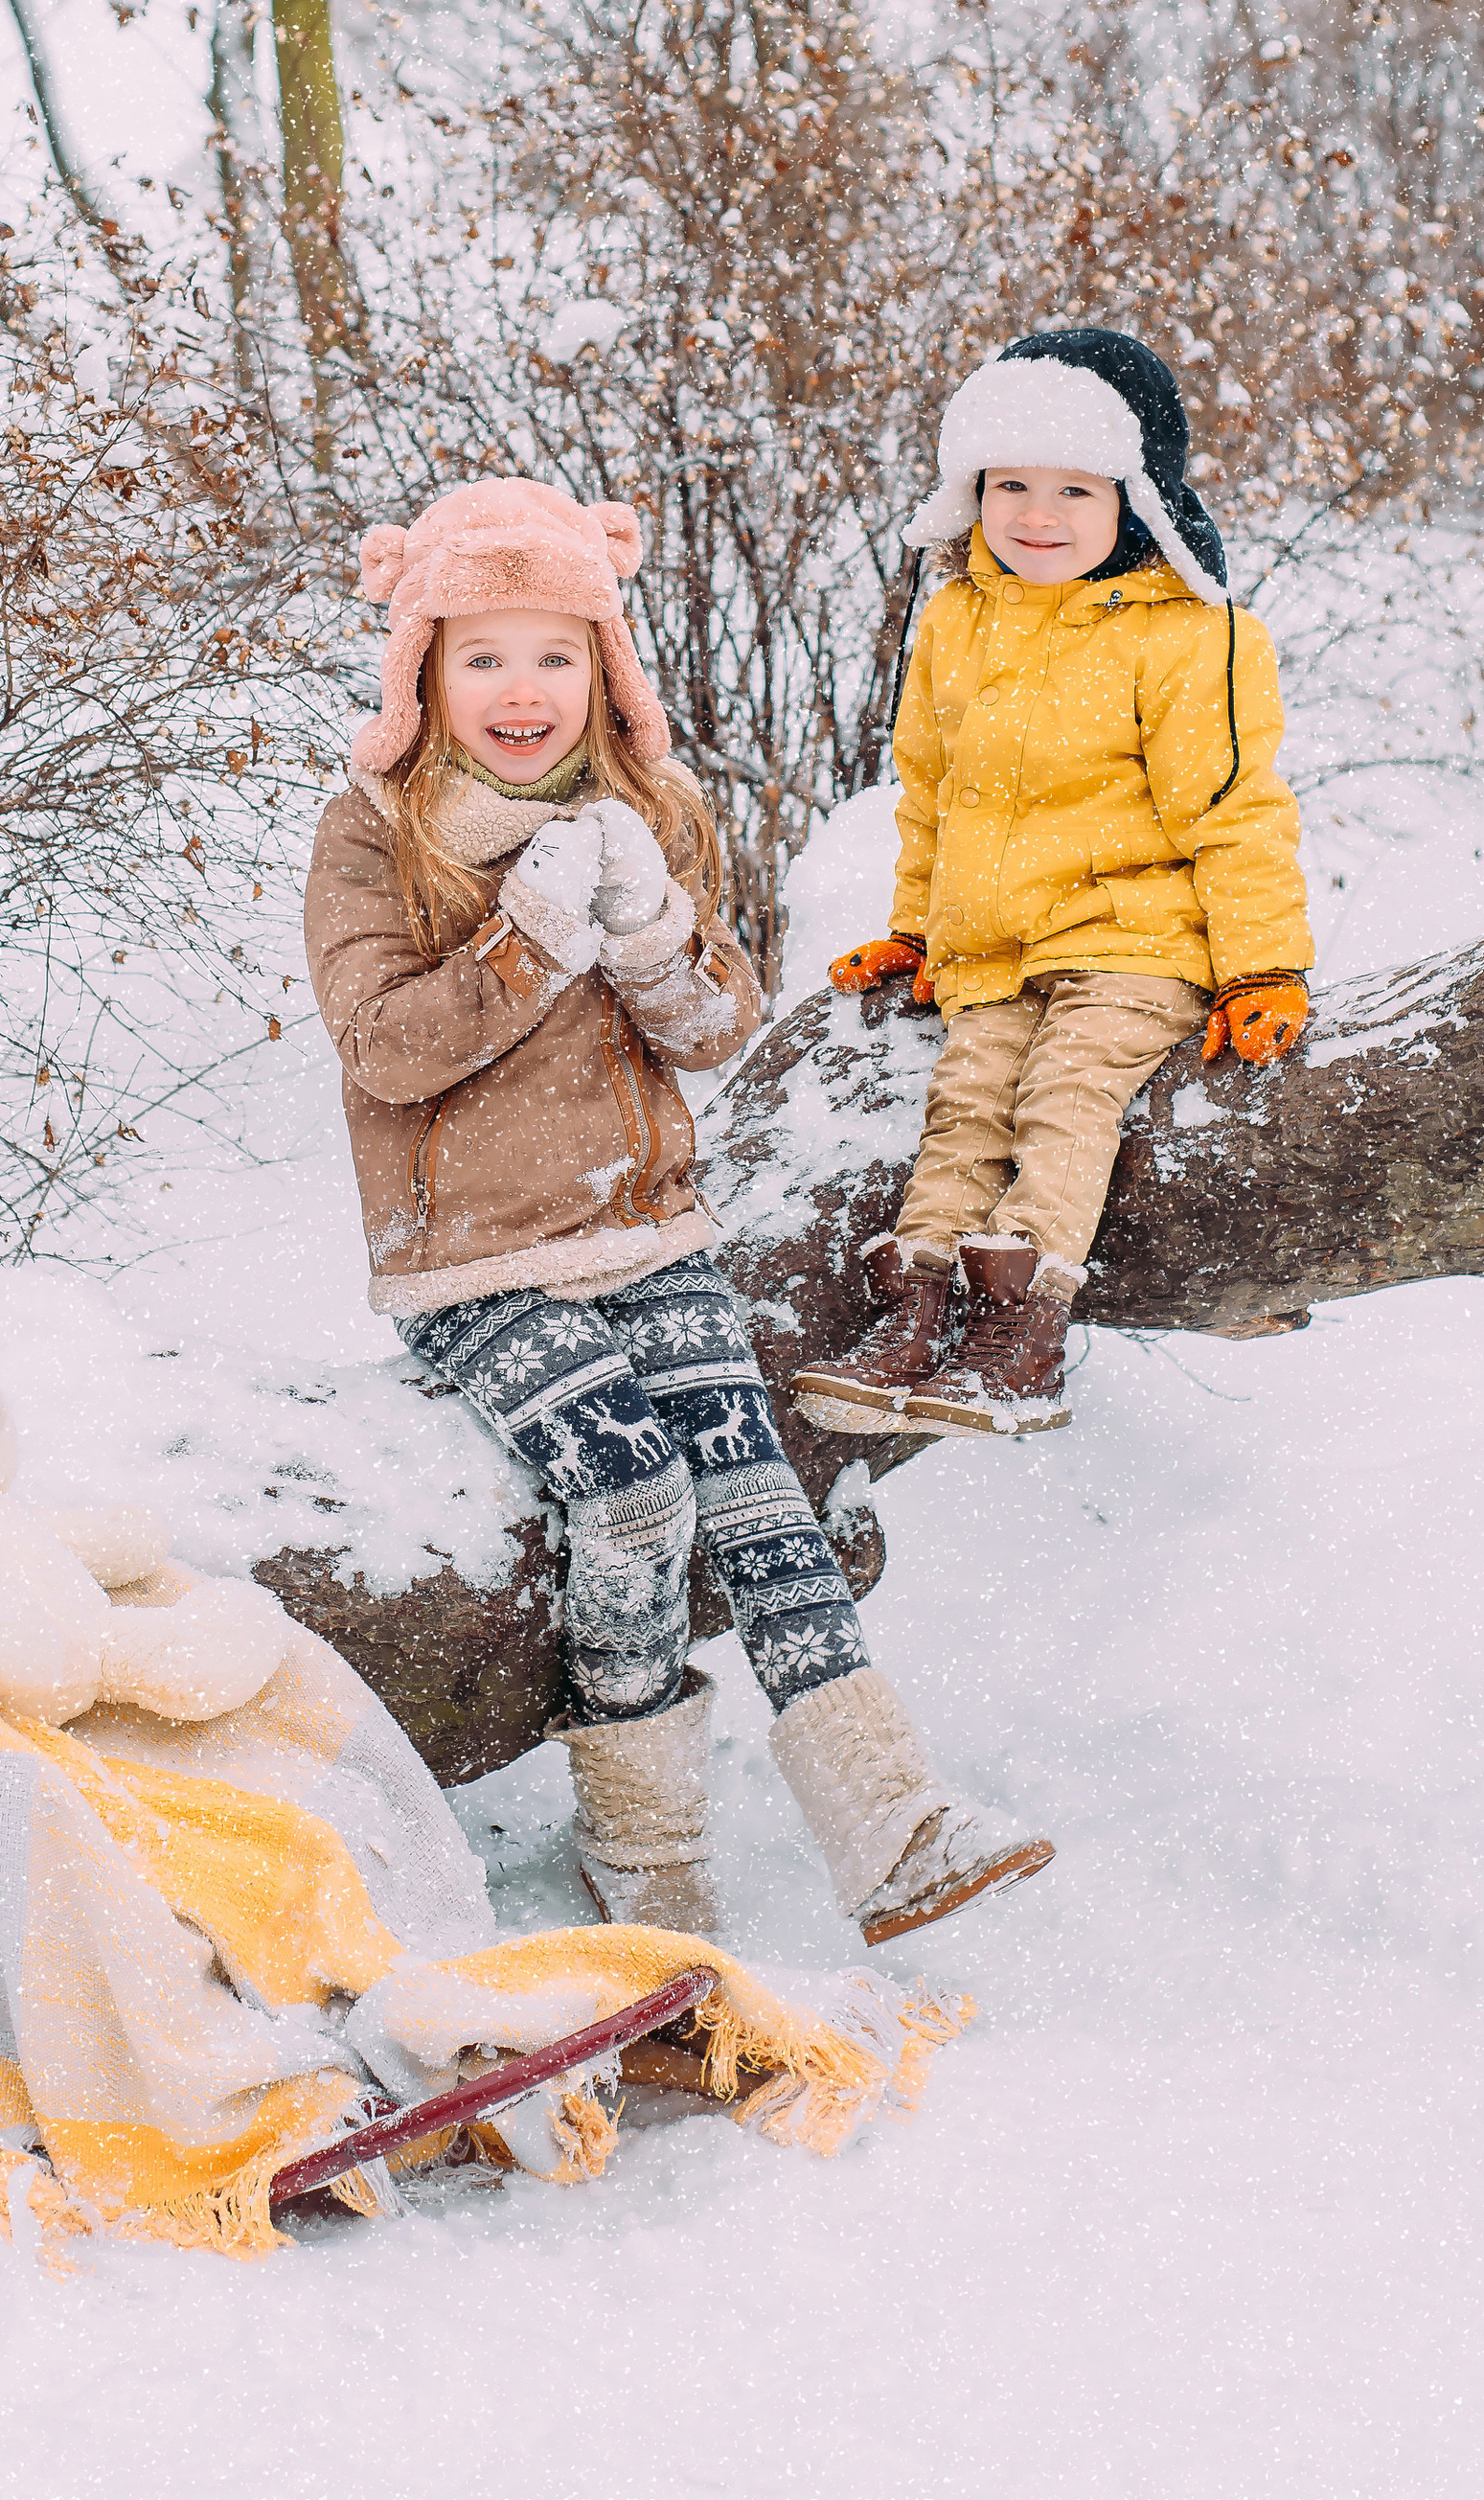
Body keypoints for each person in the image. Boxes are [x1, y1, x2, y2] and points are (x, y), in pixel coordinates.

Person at [305, 474, 1052, 1946]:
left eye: (558, 654)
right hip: (473, 1265)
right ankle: (643, 1859)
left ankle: (889, 1816)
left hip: (647, 1228)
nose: (525, 690)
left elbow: (718, 1025)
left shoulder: (657, 806)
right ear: (425, 672)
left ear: (606, 666)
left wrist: (649, 929)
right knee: (632, 1490)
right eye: (484, 657)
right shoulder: (372, 833)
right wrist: (529, 941)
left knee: (760, 1495)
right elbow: (381, 1045)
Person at [795, 327, 1313, 1445]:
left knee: (1065, 1101)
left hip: (1137, 942)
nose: (1036, 513)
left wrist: (1261, 965)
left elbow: (1234, 809)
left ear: (1133, 498)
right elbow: (934, 795)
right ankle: (913, 1314)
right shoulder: (956, 619)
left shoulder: (1192, 637)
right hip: (994, 950)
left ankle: (1016, 1336)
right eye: (1009, 484)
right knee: (963, 1116)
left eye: (1073, 489)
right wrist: (917, 931)